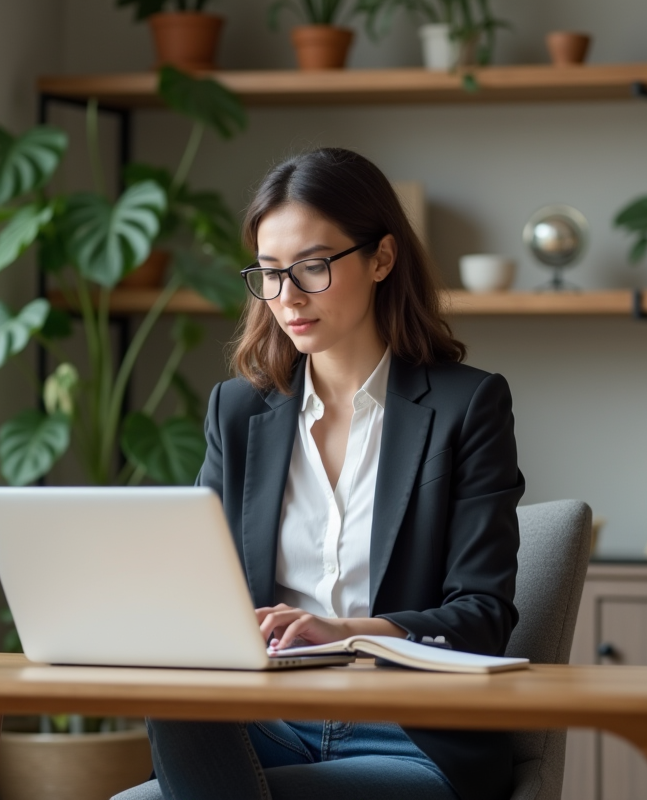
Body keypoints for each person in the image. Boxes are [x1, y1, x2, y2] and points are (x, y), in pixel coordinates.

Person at [145, 147, 524, 800]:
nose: (287, 297)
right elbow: (203, 593)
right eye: (269, 274)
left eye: (313, 267)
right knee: (171, 694)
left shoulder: (467, 407)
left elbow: (482, 615)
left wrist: (345, 633)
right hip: (264, 724)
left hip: (408, 736)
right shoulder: (236, 412)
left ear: (381, 258)